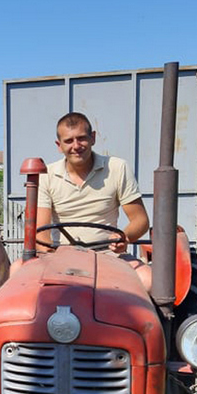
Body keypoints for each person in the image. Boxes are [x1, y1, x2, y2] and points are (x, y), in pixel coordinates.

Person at [37, 112, 152, 290]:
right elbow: (41, 233)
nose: (76, 146)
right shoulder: (47, 175)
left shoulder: (117, 168)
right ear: (59, 146)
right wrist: (49, 257)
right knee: (16, 273)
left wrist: (124, 237)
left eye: (82, 138)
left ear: (93, 138)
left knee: (148, 280)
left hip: (107, 254)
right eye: (69, 141)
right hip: (60, 255)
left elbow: (140, 220)